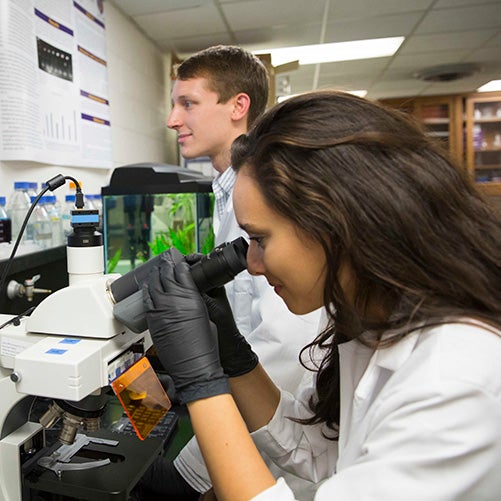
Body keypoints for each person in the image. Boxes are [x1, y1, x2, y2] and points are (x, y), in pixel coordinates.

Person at [143, 89, 501, 500]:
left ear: (337, 224)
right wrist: (233, 357)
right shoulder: (375, 320)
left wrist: (203, 385)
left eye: (260, 239)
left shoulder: (455, 381)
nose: (253, 264)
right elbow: (317, 450)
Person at [138, 46, 322, 499]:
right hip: (264, 430)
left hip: (269, 445)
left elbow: (285, 349)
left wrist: (194, 471)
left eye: (188, 103)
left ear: (238, 106)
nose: (172, 119)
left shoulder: (265, 196)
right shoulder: (228, 194)